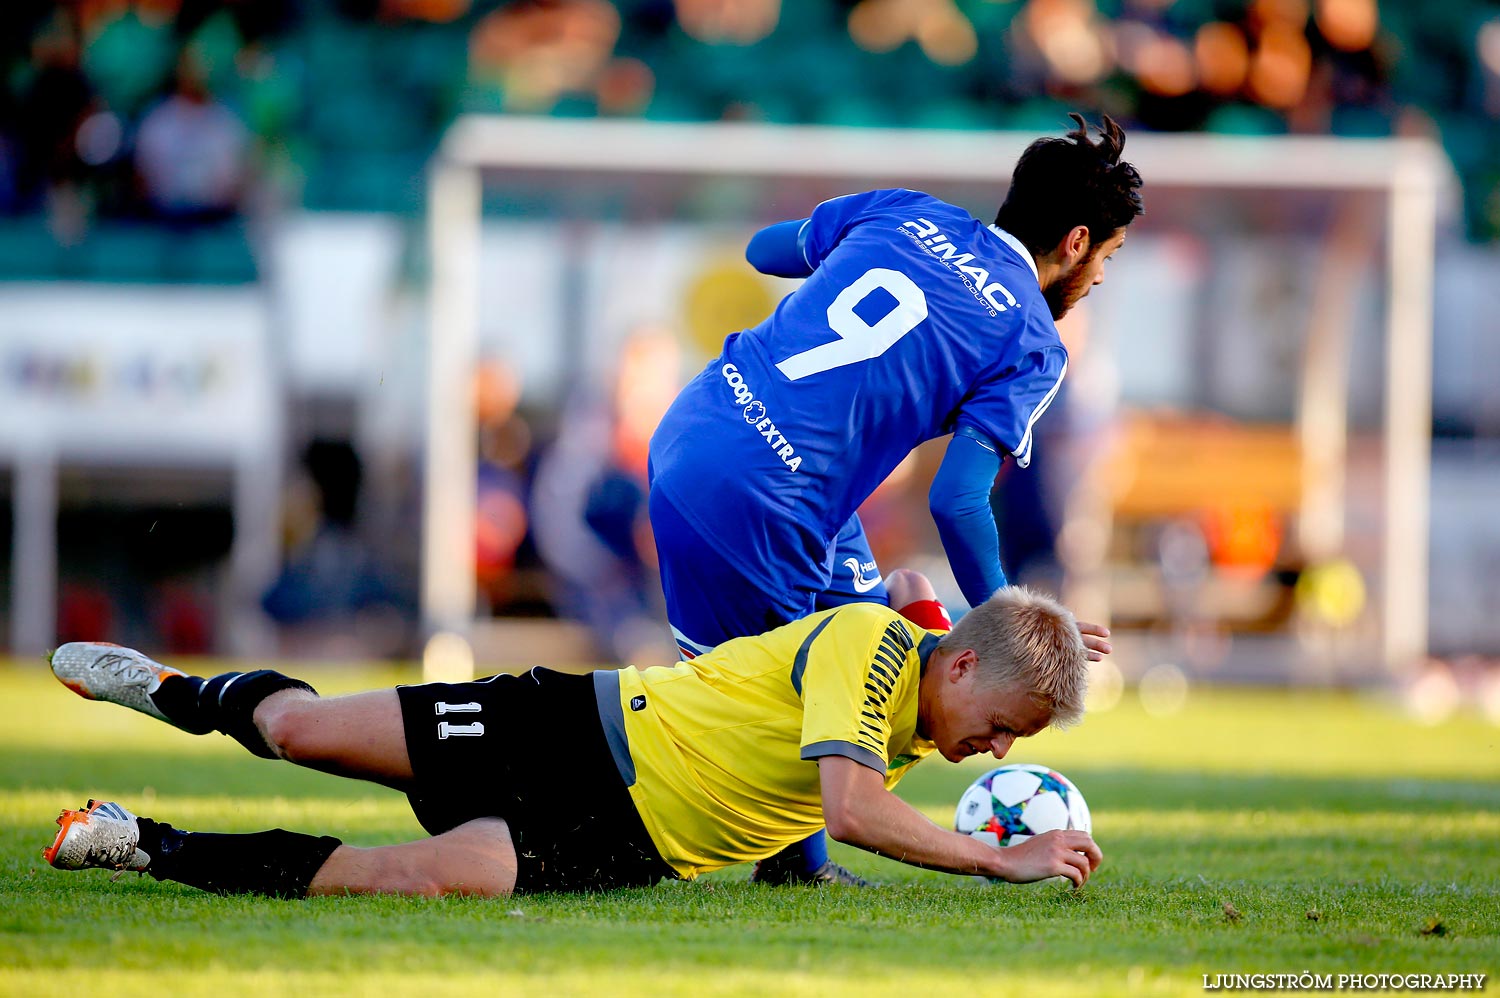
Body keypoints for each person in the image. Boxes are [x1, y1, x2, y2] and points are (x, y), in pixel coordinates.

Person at [646, 114, 1142, 883]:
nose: (1100, 277)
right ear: (1076, 242)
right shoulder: (1032, 342)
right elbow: (958, 500)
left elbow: (764, 250)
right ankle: (795, 869)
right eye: (1106, 258)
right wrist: (1013, 622)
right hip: (770, 494)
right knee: (784, 699)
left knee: (860, 623)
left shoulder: (907, 210)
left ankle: (904, 616)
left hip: (701, 423)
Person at [43, 584, 1101, 898]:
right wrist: (996, 856)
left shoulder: (935, 668)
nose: (995, 753)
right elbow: (849, 809)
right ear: (959, 666)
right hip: (573, 728)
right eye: (1002, 727)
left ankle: (137, 839)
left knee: (396, 880)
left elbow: (955, 627)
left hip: (616, 843)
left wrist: (1043, 646)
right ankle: (181, 692)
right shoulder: (874, 649)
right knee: (298, 726)